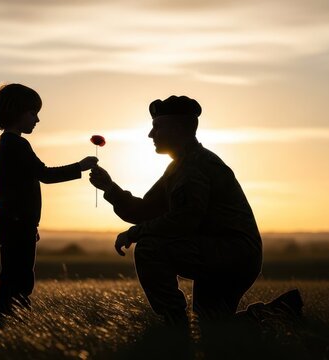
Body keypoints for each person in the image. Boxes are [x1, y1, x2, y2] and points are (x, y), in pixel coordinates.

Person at [90, 95, 290, 324]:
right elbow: (145, 211)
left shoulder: (195, 167)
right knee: (213, 326)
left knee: (149, 248)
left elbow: (184, 220)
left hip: (231, 254)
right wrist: (110, 187)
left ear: (177, 129)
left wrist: (135, 233)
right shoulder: (180, 167)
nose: (150, 134)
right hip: (226, 253)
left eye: (157, 127)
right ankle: (280, 313)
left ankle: (174, 324)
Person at [0, 83, 98, 317]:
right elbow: (45, 175)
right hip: (16, 222)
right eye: (33, 113)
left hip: (16, 222)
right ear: (17, 111)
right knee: (19, 278)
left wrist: (29, 224)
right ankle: (12, 321)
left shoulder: (8, 143)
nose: (37, 120)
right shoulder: (16, 145)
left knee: (14, 274)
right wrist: (80, 166)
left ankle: (8, 319)